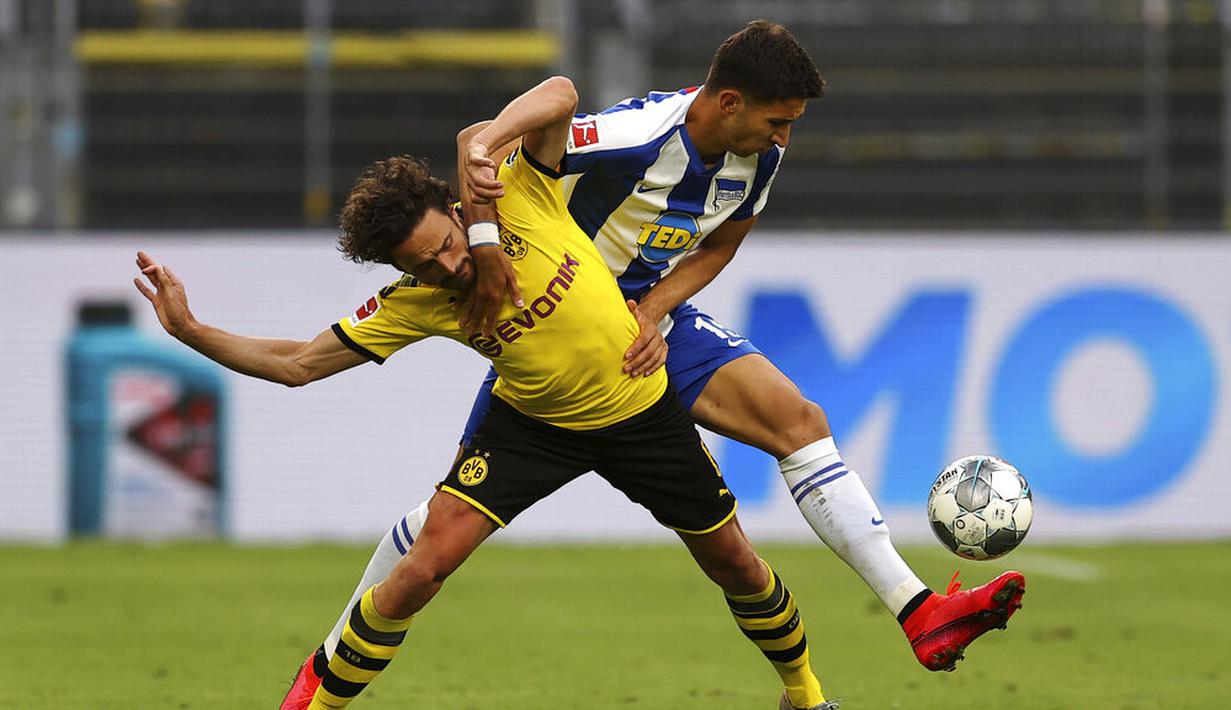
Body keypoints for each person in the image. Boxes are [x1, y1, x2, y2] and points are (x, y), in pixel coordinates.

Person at [297, 19, 1027, 698]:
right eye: (777, 121)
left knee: (797, 422)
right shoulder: (631, 136)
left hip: (649, 328)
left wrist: (648, 310)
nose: (783, 138)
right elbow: (510, 141)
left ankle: (917, 611)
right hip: (552, 333)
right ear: (731, 102)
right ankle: (325, 666)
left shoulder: (757, 156)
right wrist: (483, 199)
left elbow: (720, 243)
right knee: (438, 530)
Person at [136, 76, 839, 710]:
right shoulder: (418, 301)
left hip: (639, 410)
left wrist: (486, 174)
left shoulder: (518, 189)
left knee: (737, 566)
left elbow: (560, 92)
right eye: (425, 265)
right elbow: (297, 364)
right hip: (529, 428)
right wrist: (193, 330)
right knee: (420, 571)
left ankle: (803, 697)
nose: (447, 267)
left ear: (452, 208)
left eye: (444, 244)